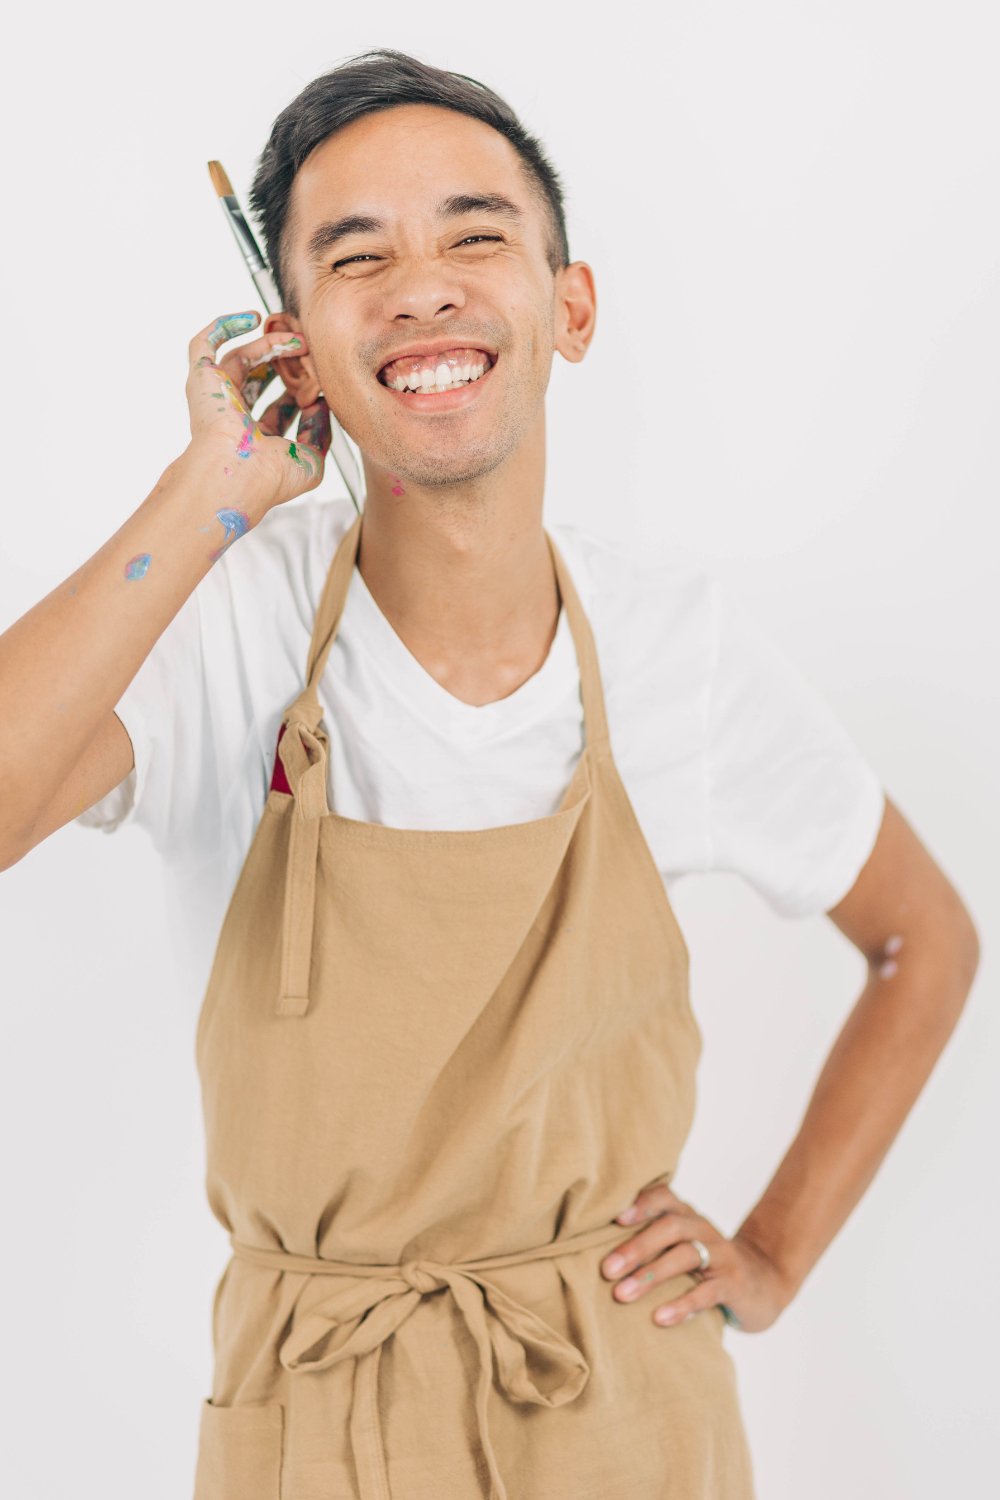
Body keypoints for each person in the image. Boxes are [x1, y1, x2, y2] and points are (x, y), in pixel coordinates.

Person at [0, 46, 980, 1500]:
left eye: (475, 234)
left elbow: (926, 941)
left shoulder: (673, 652)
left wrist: (771, 1255)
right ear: (296, 338)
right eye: (357, 258)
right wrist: (210, 488)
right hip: (306, 1413)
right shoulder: (229, 624)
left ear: (567, 306)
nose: (424, 285)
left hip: (621, 1409)